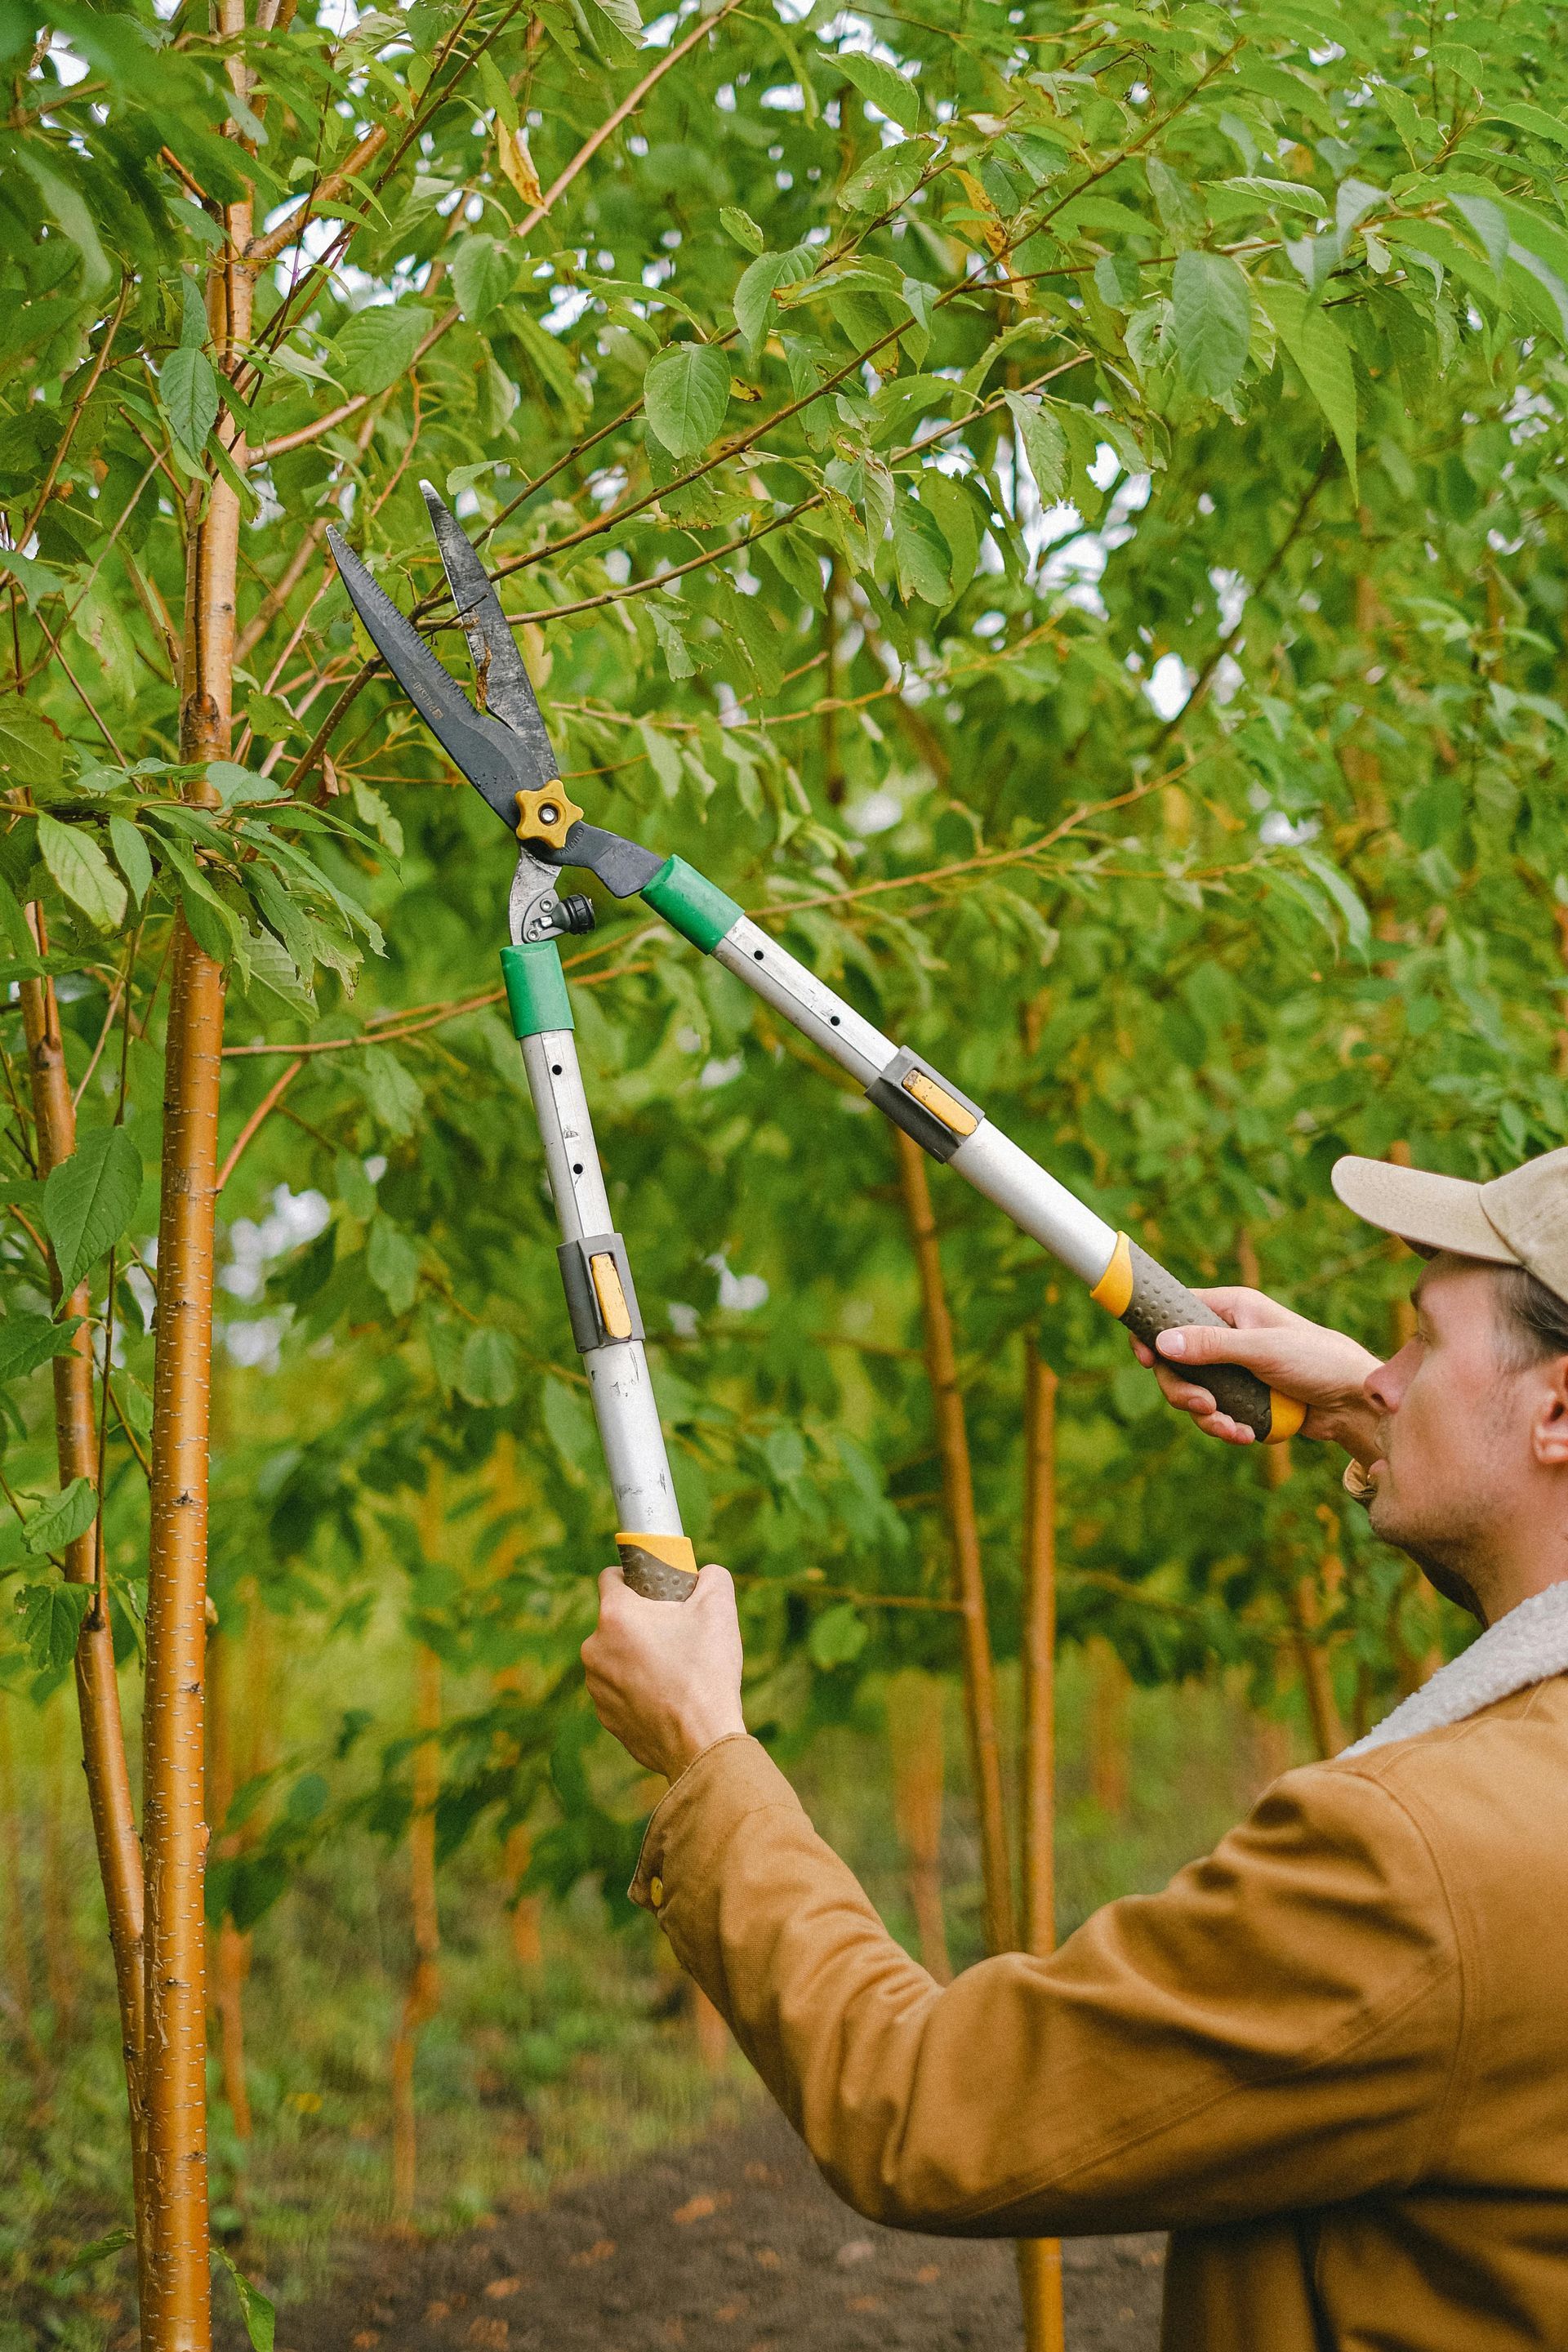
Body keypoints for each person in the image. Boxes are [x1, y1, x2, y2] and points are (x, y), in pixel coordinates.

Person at [581, 1146, 1568, 2352]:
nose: (1387, 1370)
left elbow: (927, 2108)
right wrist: (1382, 1406)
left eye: (1419, 1342)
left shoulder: (1416, 1869)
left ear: (1558, 1411)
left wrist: (704, 1755)